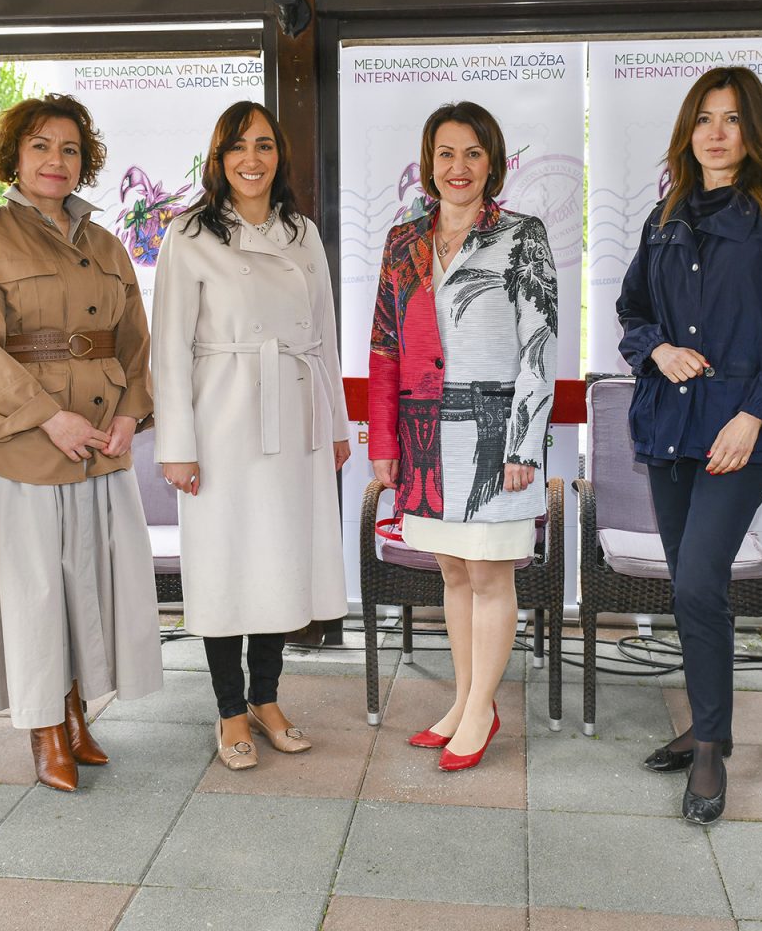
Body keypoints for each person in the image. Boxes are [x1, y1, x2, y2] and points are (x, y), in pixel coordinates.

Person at [616, 67, 762, 823]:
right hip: (672, 425)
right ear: (689, 130)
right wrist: (657, 348)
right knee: (690, 584)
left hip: (741, 430)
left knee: (698, 582)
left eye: (732, 119)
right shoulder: (665, 214)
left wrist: (754, 419)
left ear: (754, 131)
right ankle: (712, 723)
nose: (716, 132)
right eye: (705, 118)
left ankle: (709, 748)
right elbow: (632, 309)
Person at [0, 93, 162, 792]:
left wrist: (132, 413)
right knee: (35, 591)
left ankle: (75, 710)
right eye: (40, 145)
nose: (55, 160)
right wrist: (46, 417)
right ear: (14, 156)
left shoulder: (106, 245)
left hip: (100, 441)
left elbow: (136, 342)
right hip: (25, 447)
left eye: (69, 149)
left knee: (89, 585)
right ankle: (43, 727)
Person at [153, 101, 350, 771]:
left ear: (279, 156)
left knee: (279, 561)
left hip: (294, 417)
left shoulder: (301, 231)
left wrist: (336, 424)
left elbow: (323, 335)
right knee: (226, 565)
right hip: (224, 420)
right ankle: (230, 710)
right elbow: (169, 348)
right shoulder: (189, 234)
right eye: (238, 146)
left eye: (264, 145)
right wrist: (177, 445)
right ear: (219, 158)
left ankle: (267, 699)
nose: (252, 159)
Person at [369, 101, 558, 772]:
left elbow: (539, 345)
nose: (459, 167)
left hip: (496, 435)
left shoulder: (522, 235)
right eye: (446, 153)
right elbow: (385, 347)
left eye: (473, 153)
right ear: (429, 163)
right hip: (425, 437)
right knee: (452, 570)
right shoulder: (403, 240)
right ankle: (464, 700)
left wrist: (523, 446)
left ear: (492, 162)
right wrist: (384, 442)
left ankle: (481, 709)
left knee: (488, 572)